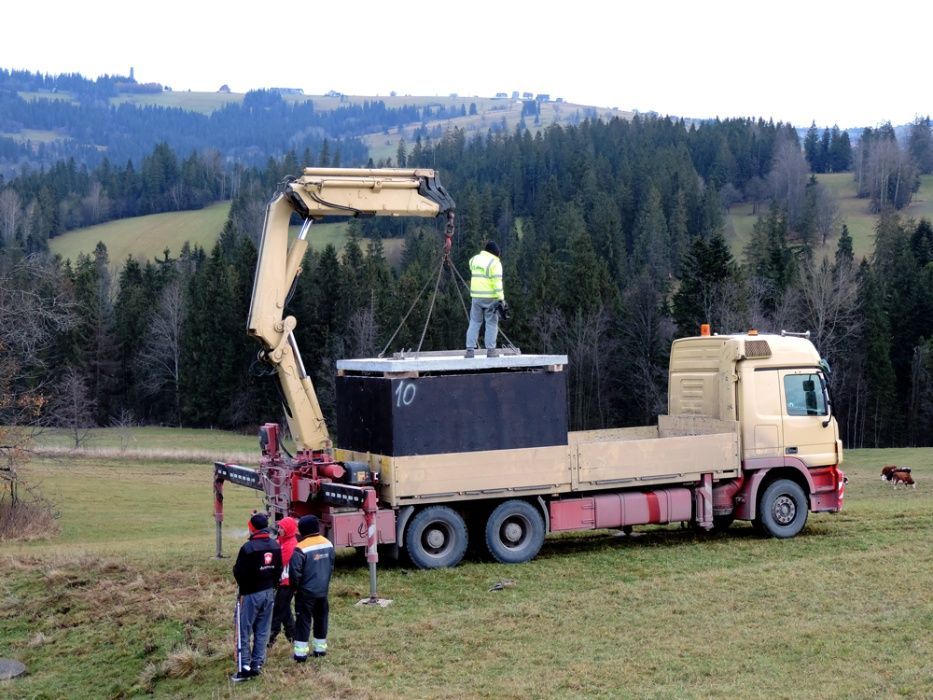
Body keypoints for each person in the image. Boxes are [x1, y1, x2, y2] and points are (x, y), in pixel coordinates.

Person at [231, 511, 283, 683]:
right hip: (269, 592)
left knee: (243, 629)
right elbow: (279, 569)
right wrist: (272, 585)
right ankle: (257, 664)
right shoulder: (275, 545)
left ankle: (244, 667)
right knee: (262, 629)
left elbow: (239, 572)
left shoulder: (248, 548)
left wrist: (244, 590)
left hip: (250, 593)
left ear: (251, 528)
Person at [290, 514, 335, 662]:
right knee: (321, 620)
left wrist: (296, 589)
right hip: (323, 591)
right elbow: (331, 566)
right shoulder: (328, 544)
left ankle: (300, 654)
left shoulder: (300, 548)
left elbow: (294, 573)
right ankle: (320, 650)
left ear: (303, 530)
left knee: (303, 621)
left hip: (305, 593)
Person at [465, 241, 507, 358]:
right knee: (491, 323)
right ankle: (491, 351)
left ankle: (470, 350)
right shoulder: (495, 263)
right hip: (490, 298)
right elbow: (497, 283)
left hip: (476, 297)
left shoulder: (474, 260)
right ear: (496, 253)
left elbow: (470, 265)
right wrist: (501, 299)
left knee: (474, 322)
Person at [268, 516, 298, 648]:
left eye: (281, 528)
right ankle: (293, 636)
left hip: (287, 582)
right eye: (279, 527)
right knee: (284, 608)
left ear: (288, 530)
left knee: (278, 609)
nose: (279, 529)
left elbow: (280, 563)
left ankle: (271, 636)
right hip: (283, 582)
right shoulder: (282, 541)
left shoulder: (290, 545)